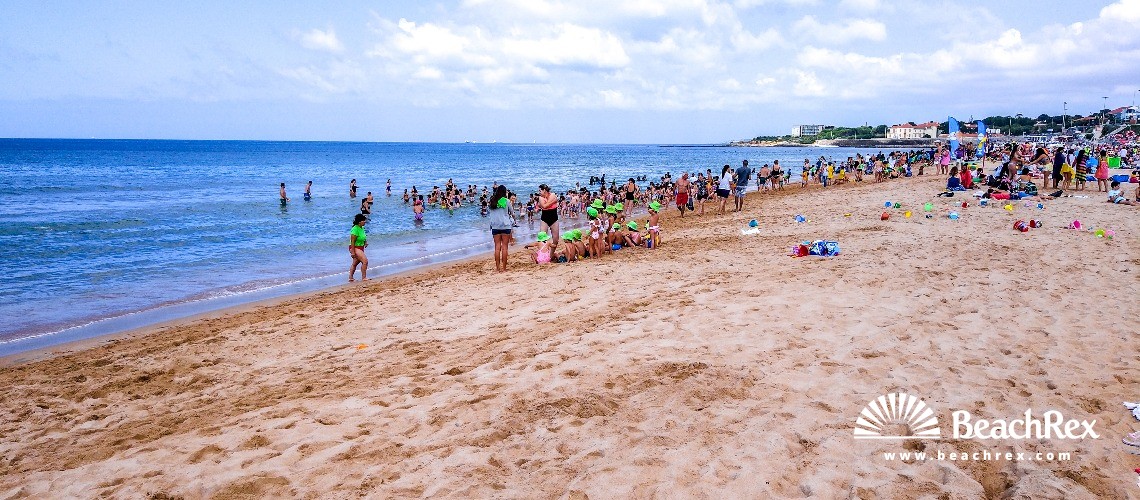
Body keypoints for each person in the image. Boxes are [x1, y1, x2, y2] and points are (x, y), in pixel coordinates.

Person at [488, 185, 514, 272]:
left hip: (495, 226)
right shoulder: (506, 201)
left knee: (497, 247)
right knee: (505, 247)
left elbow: (490, 213)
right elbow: (512, 212)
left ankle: (498, 268)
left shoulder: (492, 201)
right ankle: (504, 268)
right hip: (505, 226)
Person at [537, 184, 560, 249]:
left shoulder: (552, 195)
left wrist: (548, 203)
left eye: (540, 191)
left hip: (554, 219)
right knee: (542, 238)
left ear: (544, 190)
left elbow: (546, 205)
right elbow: (544, 206)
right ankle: (543, 254)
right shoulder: (540, 197)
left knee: (555, 240)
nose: (539, 192)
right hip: (544, 219)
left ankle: (550, 255)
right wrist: (554, 201)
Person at [349, 214, 369, 282]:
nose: (365, 222)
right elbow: (352, 241)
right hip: (354, 247)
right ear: (359, 222)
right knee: (365, 261)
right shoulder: (355, 229)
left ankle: (350, 277)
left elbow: (363, 236)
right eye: (363, 220)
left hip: (361, 247)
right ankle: (364, 277)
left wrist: (365, 242)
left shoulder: (362, 227)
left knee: (355, 263)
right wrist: (353, 252)